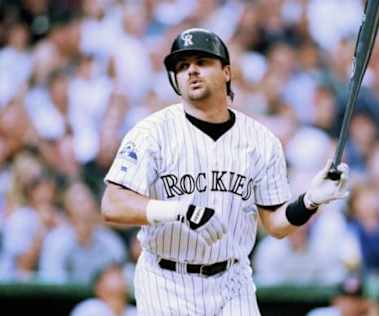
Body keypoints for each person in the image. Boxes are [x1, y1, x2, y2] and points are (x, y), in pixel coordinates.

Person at [101, 28, 350, 316]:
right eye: (182, 66)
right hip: (167, 280)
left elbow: (276, 225)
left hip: (233, 280)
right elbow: (112, 204)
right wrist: (178, 211)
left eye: (202, 62)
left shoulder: (261, 140)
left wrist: (310, 201)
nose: (191, 70)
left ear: (227, 72)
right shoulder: (151, 133)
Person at [70, 263, 137, 316]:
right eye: (112, 274)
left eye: (119, 273)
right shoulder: (88, 309)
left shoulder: (136, 312)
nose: (120, 276)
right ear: (99, 287)